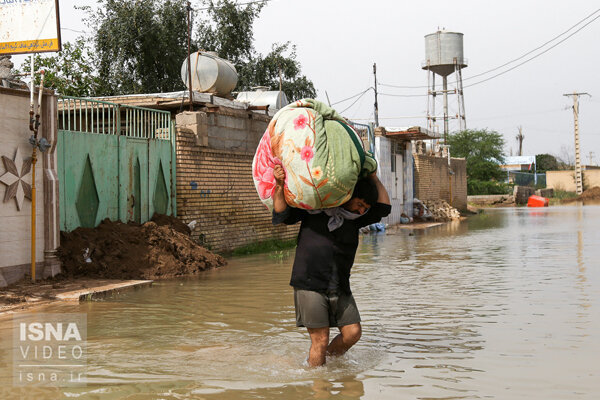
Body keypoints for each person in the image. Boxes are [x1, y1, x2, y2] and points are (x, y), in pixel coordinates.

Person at [271, 164, 391, 367]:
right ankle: (320, 386)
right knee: (320, 339)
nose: (361, 210)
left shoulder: (354, 219)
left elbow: (384, 207)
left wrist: (374, 178)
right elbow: (281, 213)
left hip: (339, 285)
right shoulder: (313, 209)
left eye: (365, 208)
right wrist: (280, 184)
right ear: (348, 195)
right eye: (360, 203)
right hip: (310, 283)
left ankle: (320, 365)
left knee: (353, 333)